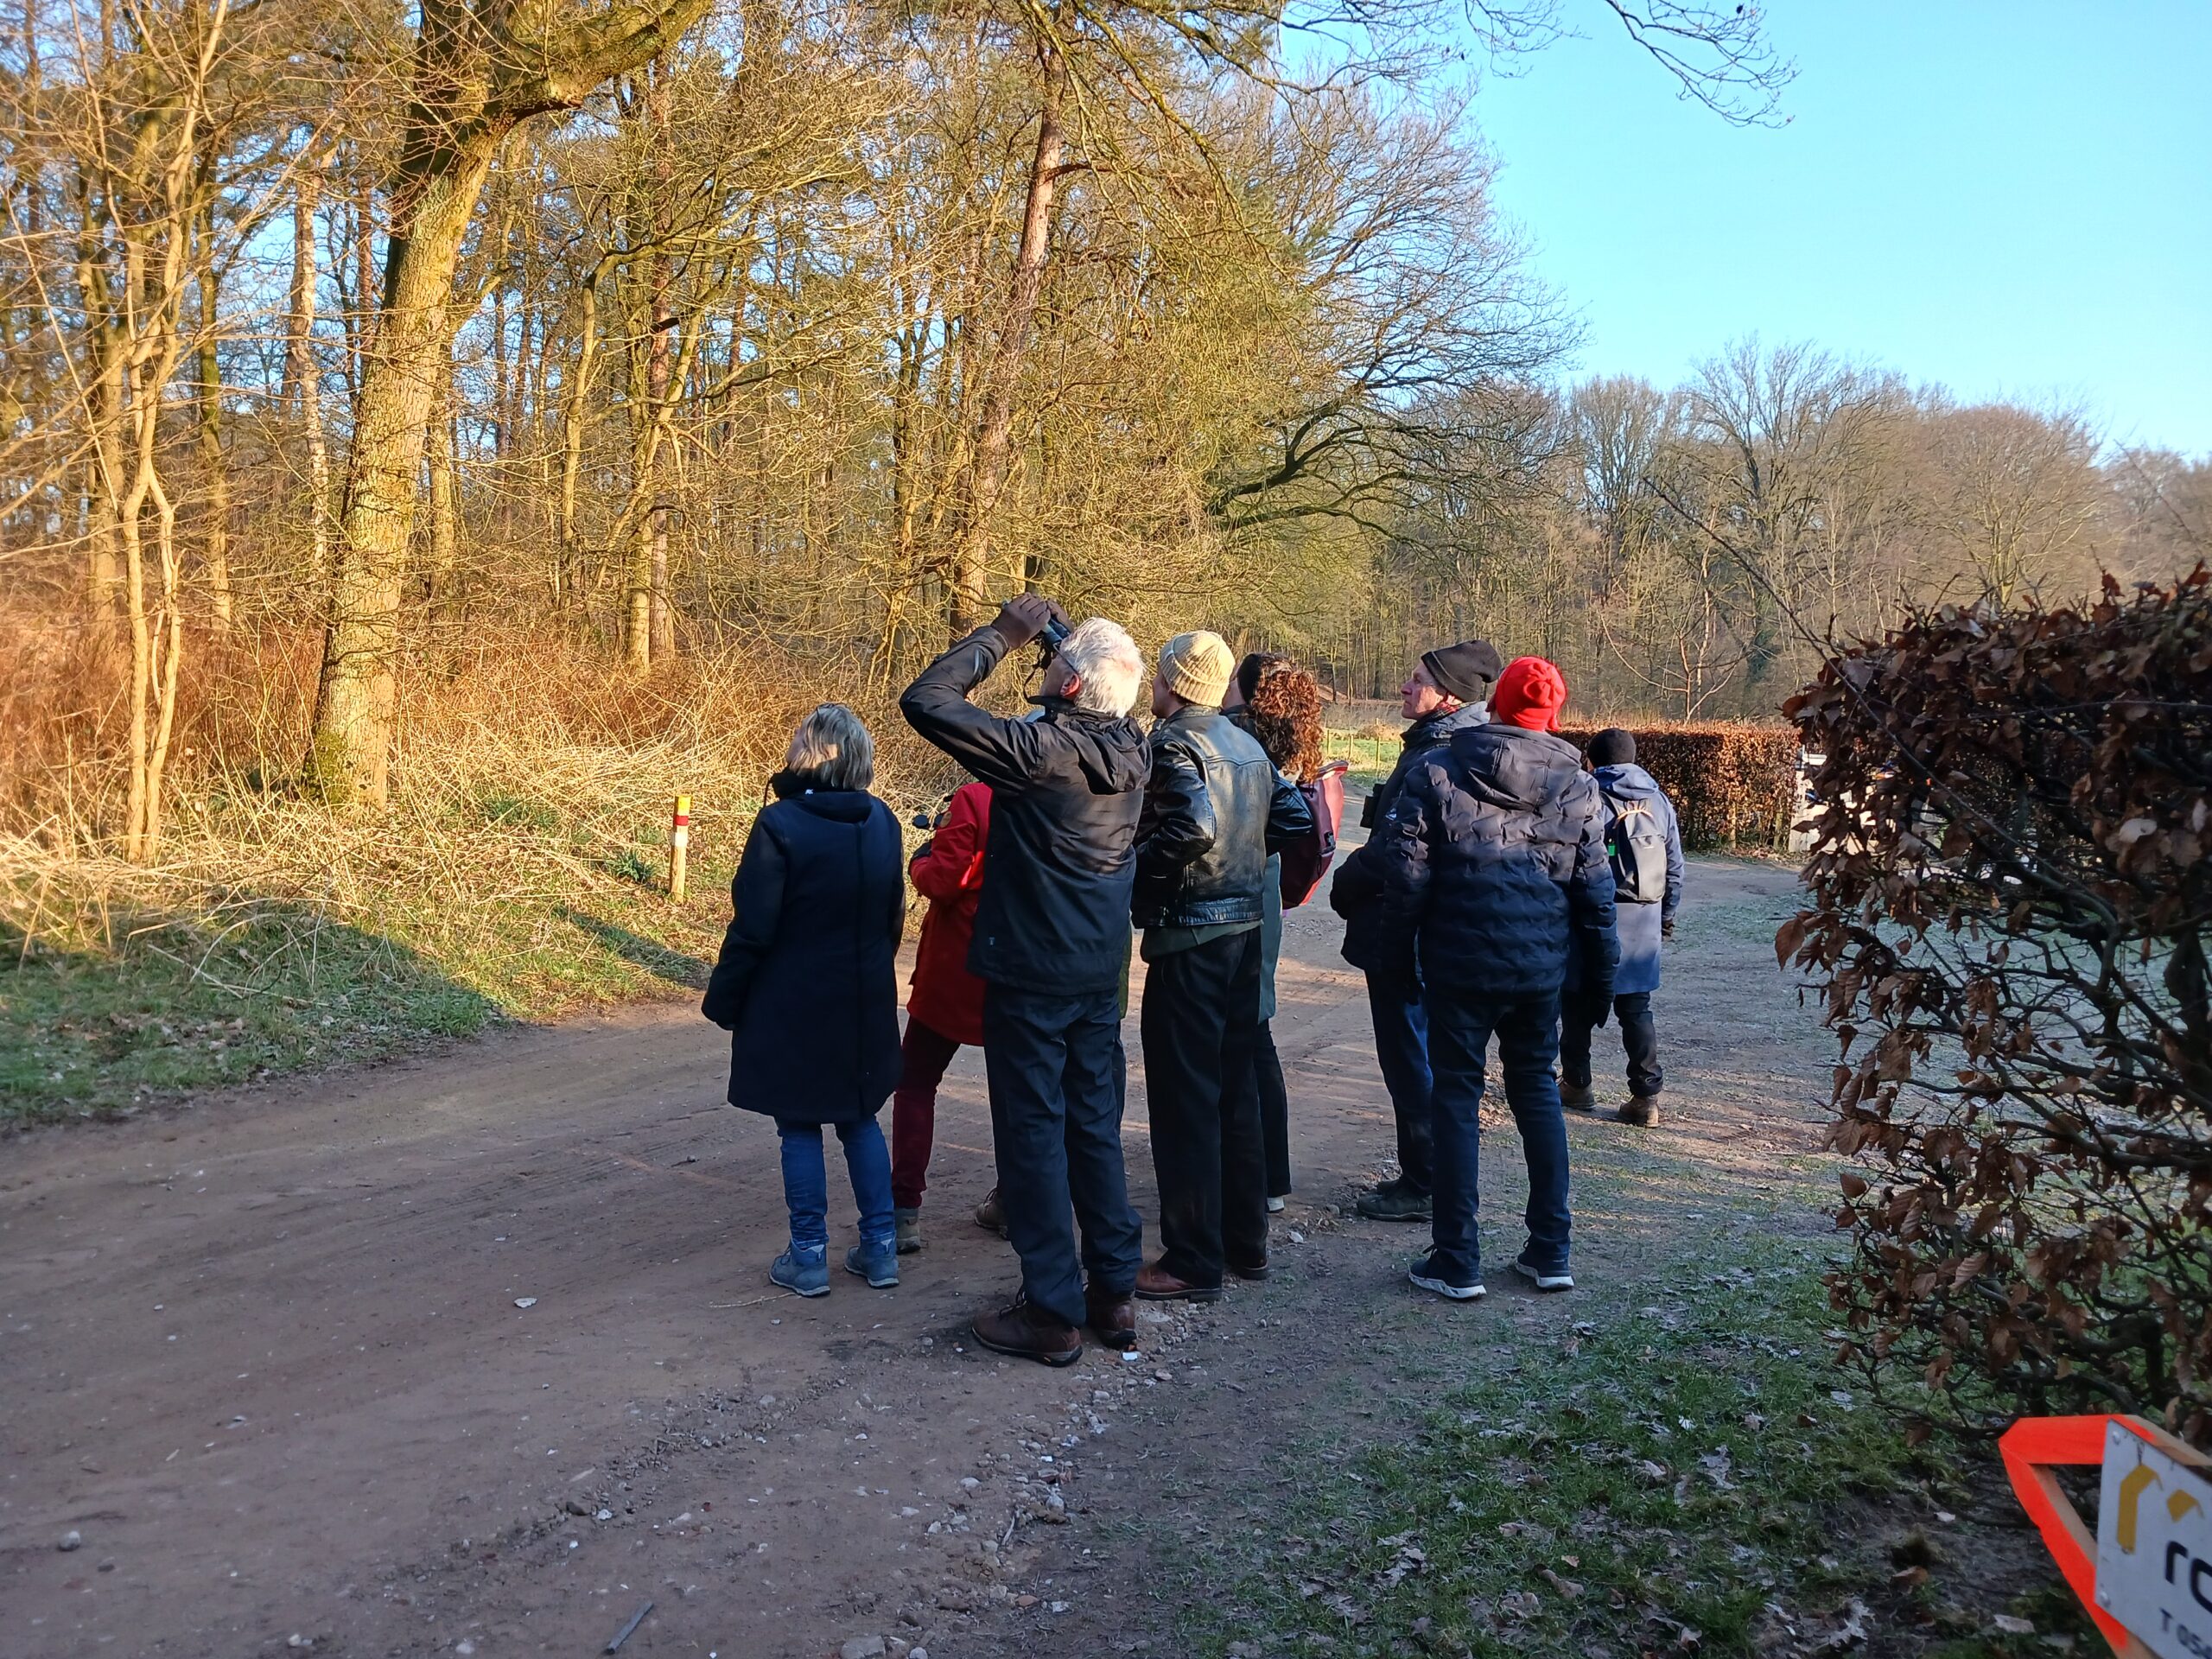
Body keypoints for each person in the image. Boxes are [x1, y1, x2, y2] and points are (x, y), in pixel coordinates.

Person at [899, 596, 1151, 1365]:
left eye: (1053, 665)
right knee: (1092, 1131)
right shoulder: (1134, 749)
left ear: (1070, 687)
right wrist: (1061, 637)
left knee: (1035, 1137)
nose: (1043, 669)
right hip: (1094, 972)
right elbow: (1097, 682)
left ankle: (1049, 1312)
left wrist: (1005, 637)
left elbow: (927, 700)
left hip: (1031, 975)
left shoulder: (1039, 756)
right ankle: (1111, 1291)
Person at [1360, 656, 1618, 1301]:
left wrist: (1395, 959)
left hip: (1458, 964)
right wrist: (1602, 978)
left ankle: (1457, 1257)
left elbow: (1406, 877)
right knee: (1535, 1091)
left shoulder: (1439, 769)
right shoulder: (1579, 784)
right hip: (1538, 969)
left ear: (1496, 704)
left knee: (1456, 1095)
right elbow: (1595, 891)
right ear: (1551, 715)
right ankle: (1550, 1251)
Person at [1131, 632, 1313, 1301]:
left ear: (1173, 683)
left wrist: (1137, 881)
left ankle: (1192, 1260)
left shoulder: (1175, 742)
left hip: (1191, 938)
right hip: (1243, 933)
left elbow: (1190, 828)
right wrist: (1242, 856)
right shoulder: (1248, 744)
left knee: (1185, 1102)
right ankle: (1247, 1245)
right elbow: (1294, 820)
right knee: (1235, 1092)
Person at [702, 704, 906, 1298]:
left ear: (807, 755)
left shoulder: (780, 825)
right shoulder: (884, 822)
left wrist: (726, 998)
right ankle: (881, 1248)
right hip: (864, 997)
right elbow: (892, 914)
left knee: (798, 1127)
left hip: (794, 1000)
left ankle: (809, 1255)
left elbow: (754, 928)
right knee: (860, 1119)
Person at [1327, 639, 1503, 1223]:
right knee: (1436, 1060)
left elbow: (1398, 854)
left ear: (1449, 696)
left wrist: (1348, 882)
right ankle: (1436, 1177)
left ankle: (1425, 1183)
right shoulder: (1469, 749)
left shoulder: (1438, 758)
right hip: (1446, 934)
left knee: (1412, 1060)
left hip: (1409, 934)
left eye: (1415, 680)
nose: (1403, 688)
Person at [1225, 652, 1335, 1211]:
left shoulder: (1238, 739)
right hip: (1266, 881)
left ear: (1247, 692)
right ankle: (1271, 1174)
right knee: (1256, 1024)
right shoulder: (1293, 739)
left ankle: (1254, 1174)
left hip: (1240, 881)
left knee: (1242, 1031)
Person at [1560, 728, 1683, 1128]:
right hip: (1643, 920)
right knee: (1636, 1009)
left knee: (1576, 1004)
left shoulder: (1587, 794)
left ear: (1592, 760)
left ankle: (1577, 1085)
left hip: (1589, 917)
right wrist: (1664, 917)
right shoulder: (1659, 801)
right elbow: (1675, 868)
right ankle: (1645, 1098)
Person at [891, 779, 993, 1252]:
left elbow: (945, 880)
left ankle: (904, 1213)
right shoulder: (1072, 790)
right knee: (1022, 1097)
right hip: (1028, 970)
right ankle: (1017, 1203)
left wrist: (921, 861)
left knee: (915, 1083)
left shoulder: (976, 796)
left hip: (958, 964)